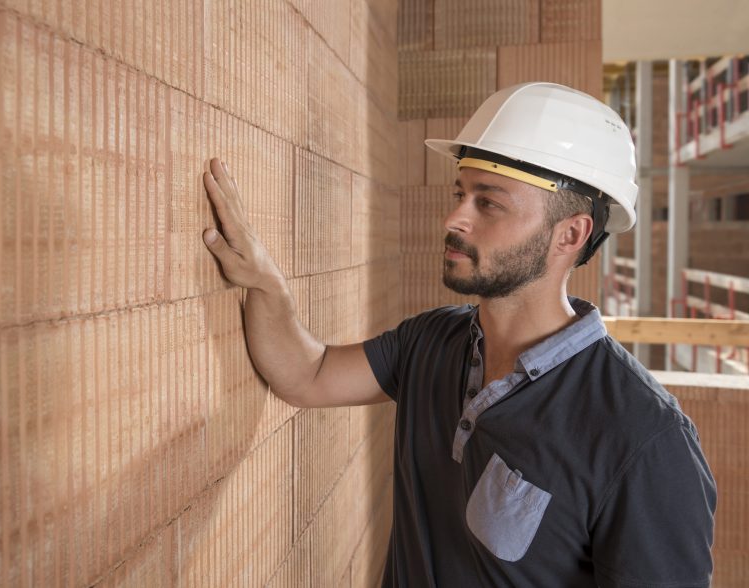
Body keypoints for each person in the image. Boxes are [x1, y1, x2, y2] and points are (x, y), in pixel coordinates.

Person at [201, 82, 717, 587]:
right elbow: (308, 375)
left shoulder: (645, 438)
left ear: (571, 234)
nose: (454, 218)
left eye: (488, 203)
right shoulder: (432, 341)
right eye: (460, 194)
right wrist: (268, 286)